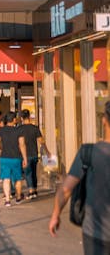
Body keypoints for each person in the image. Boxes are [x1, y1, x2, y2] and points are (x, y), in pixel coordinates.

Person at [49, 100, 110, 254]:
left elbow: (66, 189)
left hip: (96, 233)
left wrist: (56, 215)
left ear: (104, 120)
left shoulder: (88, 153)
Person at [0, 111, 27, 207]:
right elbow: (22, 145)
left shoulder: (1, 130)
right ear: (13, 120)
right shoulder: (19, 130)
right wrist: (25, 158)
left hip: (4, 157)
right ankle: (18, 197)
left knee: (6, 179)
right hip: (16, 158)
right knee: (18, 179)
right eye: (15, 118)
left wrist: (1, 149)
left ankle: (7, 200)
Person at [19, 109, 48, 200]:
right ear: (29, 117)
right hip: (35, 154)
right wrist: (47, 151)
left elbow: (19, 143)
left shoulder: (19, 129)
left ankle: (31, 191)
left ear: (21, 118)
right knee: (34, 172)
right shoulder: (35, 128)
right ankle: (35, 190)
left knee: (28, 173)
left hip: (25, 155)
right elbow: (41, 141)